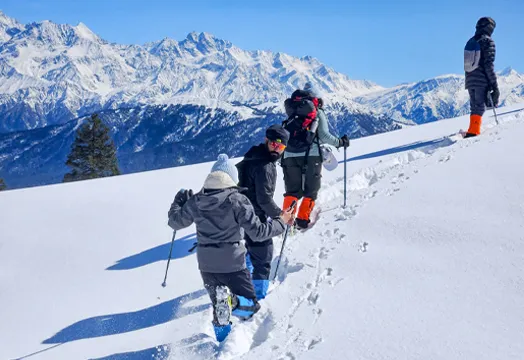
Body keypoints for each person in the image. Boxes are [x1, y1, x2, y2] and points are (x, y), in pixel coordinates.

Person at [167, 154, 293, 342]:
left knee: (220, 310)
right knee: (250, 306)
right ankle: (232, 302)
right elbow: (258, 232)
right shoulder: (236, 200)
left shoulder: (195, 201)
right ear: (232, 179)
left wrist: (178, 202)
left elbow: (175, 222)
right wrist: (281, 222)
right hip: (233, 264)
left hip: (207, 265)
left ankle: (223, 342)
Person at [281, 82, 350, 229]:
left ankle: (286, 222)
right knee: (311, 189)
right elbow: (324, 136)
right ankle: (302, 220)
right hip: (310, 155)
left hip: (288, 155)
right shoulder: (317, 111)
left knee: (292, 191)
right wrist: (340, 143)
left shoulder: (292, 111)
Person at [235, 124, 291, 300]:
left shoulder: (252, 156)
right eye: (274, 144)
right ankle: (256, 299)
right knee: (264, 258)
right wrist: (281, 217)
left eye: (281, 146)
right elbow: (264, 199)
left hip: (240, 213)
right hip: (254, 217)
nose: (276, 149)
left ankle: (244, 285)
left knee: (252, 252)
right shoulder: (265, 165)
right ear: (266, 140)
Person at [464, 17, 499, 138]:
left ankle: (472, 129)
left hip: (470, 79)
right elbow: (488, 65)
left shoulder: (471, 41)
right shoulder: (488, 42)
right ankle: (473, 132)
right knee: (479, 107)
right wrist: (494, 84)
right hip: (481, 79)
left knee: (474, 106)